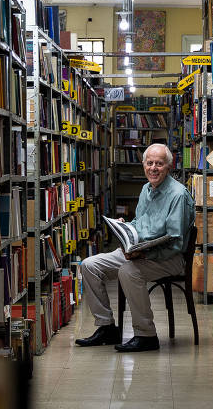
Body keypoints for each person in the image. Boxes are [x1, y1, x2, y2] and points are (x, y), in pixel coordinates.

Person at [75, 143, 195, 352]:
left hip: (168, 258)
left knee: (129, 271)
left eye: (159, 163)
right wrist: (126, 227)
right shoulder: (146, 189)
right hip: (139, 253)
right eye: (149, 163)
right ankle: (106, 327)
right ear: (143, 165)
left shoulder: (178, 195)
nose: (153, 168)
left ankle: (146, 335)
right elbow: (142, 224)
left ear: (168, 166)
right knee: (89, 265)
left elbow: (175, 243)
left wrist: (143, 252)